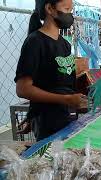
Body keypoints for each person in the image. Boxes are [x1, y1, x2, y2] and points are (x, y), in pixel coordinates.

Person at [14, 0, 87, 141]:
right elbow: (23, 89)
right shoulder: (34, 42)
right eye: (66, 9)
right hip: (47, 122)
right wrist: (66, 99)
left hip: (67, 116)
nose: (70, 15)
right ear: (49, 8)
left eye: (71, 10)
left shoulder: (65, 44)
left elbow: (57, 84)